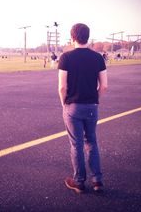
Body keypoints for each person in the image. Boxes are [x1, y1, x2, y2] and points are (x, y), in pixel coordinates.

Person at [58, 23, 108, 194]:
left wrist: (64, 104)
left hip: (73, 106)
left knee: (76, 145)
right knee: (92, 142)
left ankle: (79, 181)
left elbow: (62, 87)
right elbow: (104, 86)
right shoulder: (98, 58)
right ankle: (97, 181)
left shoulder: (66, 58)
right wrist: (95, 100)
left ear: (72, 37)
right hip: (92, 106)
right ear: (88, 37)